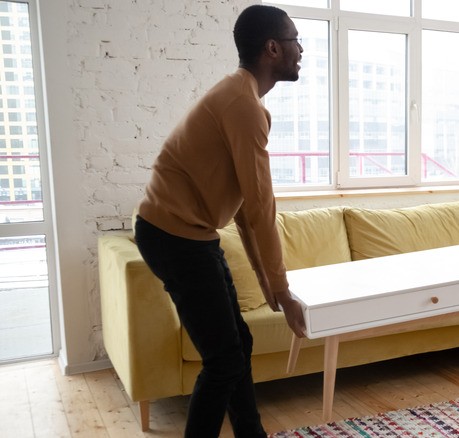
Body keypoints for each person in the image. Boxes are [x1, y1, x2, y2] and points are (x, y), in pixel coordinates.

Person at [133, 5, 306, 438]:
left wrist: (270, 286)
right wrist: (283, 290)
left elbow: (248, 210)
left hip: (188, 236)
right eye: (294, 40)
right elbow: (263, 206)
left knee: (237, 347)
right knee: (223, 359)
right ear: (271, 49)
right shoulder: (242, 107)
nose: (300, 50)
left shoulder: (240, 97)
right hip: (174, 238)